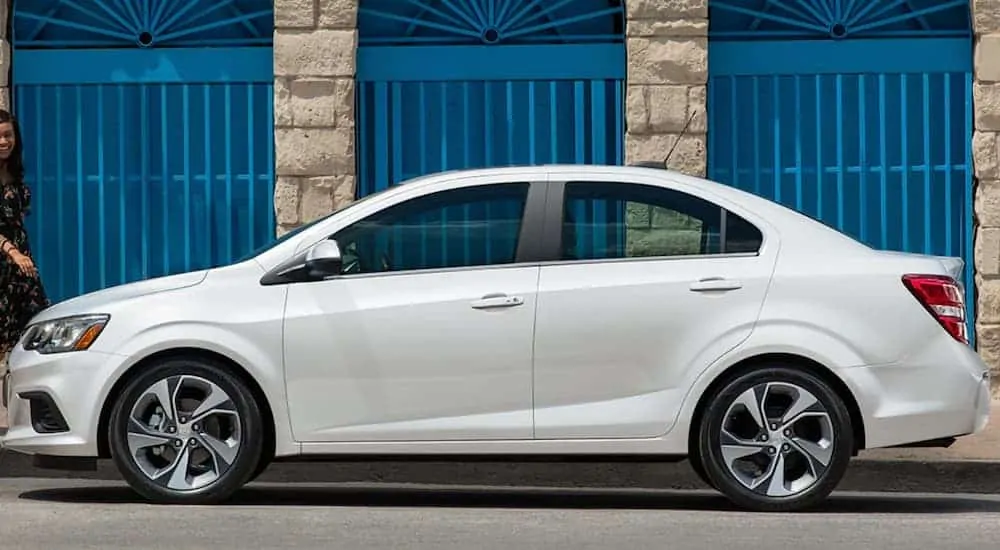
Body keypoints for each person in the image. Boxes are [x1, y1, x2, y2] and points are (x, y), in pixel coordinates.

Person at [0, 109, 49, 362]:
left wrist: (21, 254)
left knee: (34, 327)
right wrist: (12, 251)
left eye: (8, 135)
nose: (4, 141)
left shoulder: (15, 171)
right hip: (6, 261)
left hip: (21, 269)